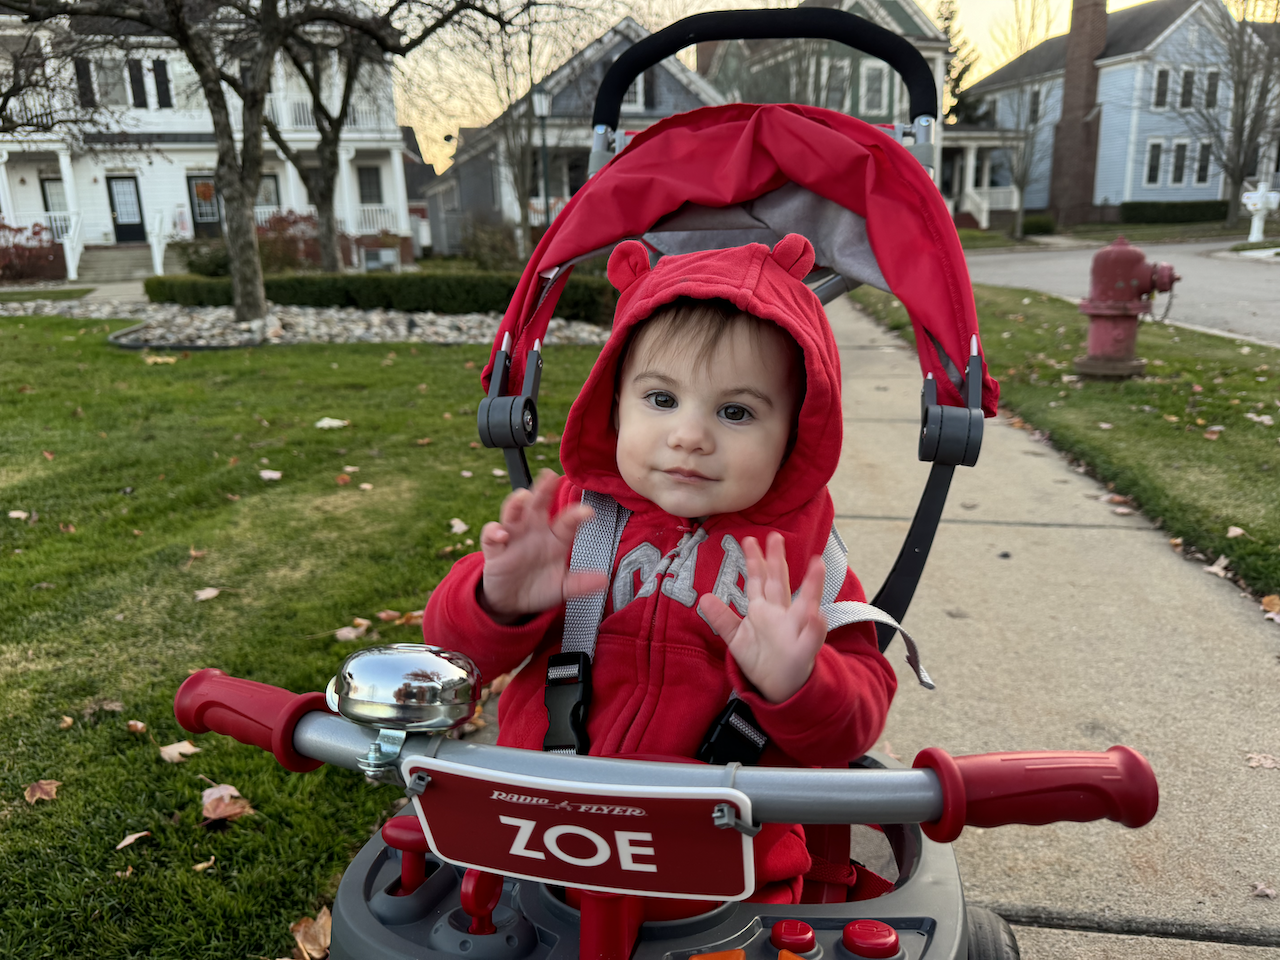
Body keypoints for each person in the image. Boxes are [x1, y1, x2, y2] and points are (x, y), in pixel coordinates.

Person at [423, 234, 897, 903]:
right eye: (661, 400)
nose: (689, 435)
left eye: (735, 412)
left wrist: (800, 682)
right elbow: (452, 653)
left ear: (795, 433)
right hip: (540, 843)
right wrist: (496, 602)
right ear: (613, 402)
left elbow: (853, 723)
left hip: (722, 878)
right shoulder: (578, 524)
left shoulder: (799, 565)